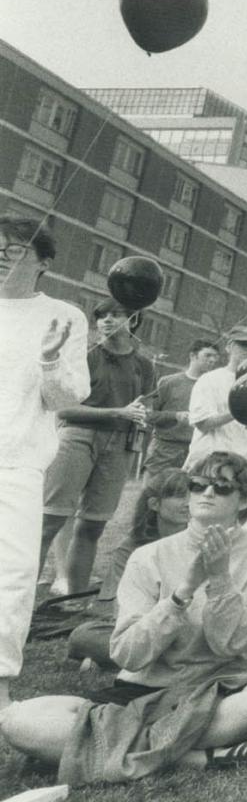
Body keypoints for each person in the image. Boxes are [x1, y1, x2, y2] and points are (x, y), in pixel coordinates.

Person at [0, 452, 247, 778]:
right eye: (198, 485)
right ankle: (195, 758)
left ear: (244, 500)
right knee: (19, 721)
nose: (206, 493)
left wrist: (220, 580)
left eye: (222, 487)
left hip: (220, 686)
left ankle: (106, 750)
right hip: (144, 691)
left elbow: (232, 643)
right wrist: (181, 595)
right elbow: (129, 654)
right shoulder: (147, 556)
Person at [0, 217, 90, 709]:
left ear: (43, 264)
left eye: (13, 250)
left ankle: (1, 687)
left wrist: (51, 361)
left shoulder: (65, 316)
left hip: (17, 466)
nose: (1, 257)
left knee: (10, 576)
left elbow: (66, 397)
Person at [40, 298, 156, 597]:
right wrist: (117, 413)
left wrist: (144, 416)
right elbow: (63, 409)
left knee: (92, 526)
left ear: (133, 320)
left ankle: (74, 601)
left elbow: (146, 407)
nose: (105, 320)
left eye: (115, 314)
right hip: (77, 437)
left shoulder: (143, 365)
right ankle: (20, 597)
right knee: (49, 521)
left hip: (120, 445)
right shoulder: (84, 354)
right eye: (101, 316)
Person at [67, 468, 192, 671]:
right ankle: (171, 660)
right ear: (154, 504)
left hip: (189, 625)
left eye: (192, 495)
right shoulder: (131, 546)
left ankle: (146, 661)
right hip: (143, 627)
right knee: (82, 636)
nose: (188, 503)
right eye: (179, 496)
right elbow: (120, 609)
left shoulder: (200, 539)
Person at [185, 326, 247, 484]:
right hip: (214, 459)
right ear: (229, 347)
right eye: (243, 344)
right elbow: (203, 424)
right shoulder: (210, 379)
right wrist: (238, 410)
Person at [142, 339, 220, 476]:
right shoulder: (169, 382)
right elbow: (147, 414)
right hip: (165, 449)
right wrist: (175, 416)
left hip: (198, 451)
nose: (212, 360)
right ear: (193, 356)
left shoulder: (216, 388)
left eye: (215, 357)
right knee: (153, 493)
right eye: (208, 355)